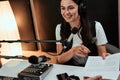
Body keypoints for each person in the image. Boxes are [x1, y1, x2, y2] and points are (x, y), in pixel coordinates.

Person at [55, 0, 110, 66]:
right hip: (71, 71)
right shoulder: (59, 28)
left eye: (71, 8)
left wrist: (105, 57)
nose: (66, 12)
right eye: (63, 8)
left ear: (81, 8)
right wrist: (73, 51)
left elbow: (102, 55)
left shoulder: (96, 26)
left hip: (92, 70)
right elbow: (60, 59)